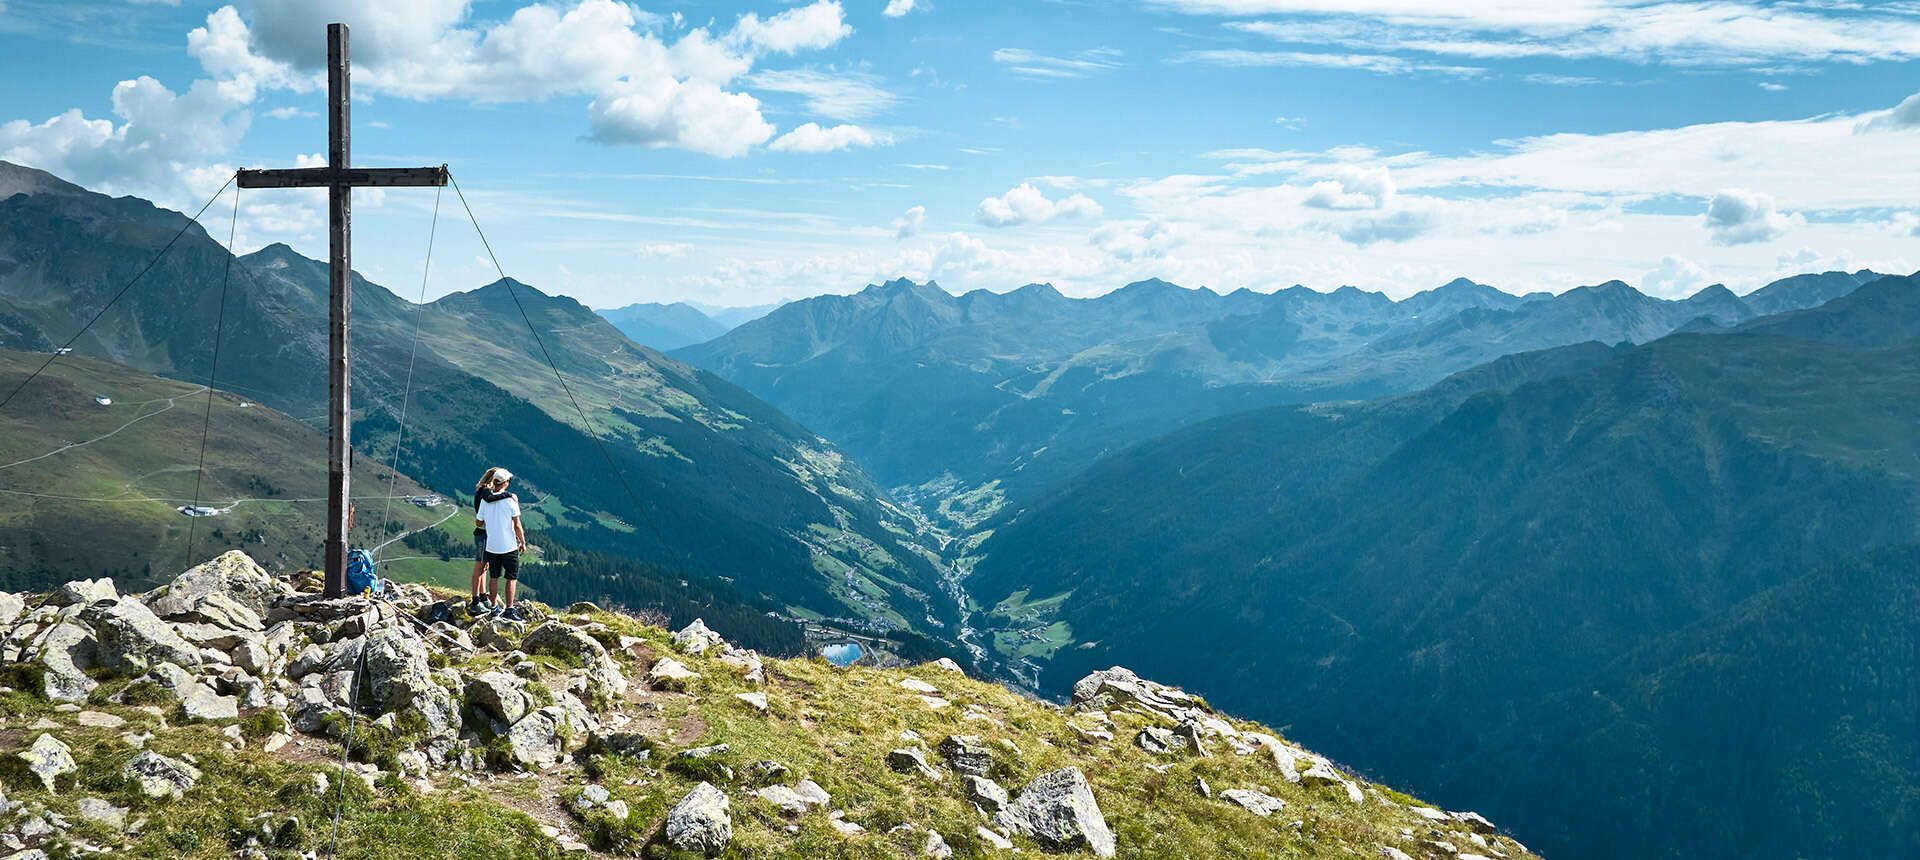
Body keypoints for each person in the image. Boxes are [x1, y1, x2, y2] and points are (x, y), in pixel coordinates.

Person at [474, 467, 527, 622]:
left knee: (494, 576)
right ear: (505, 483)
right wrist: (522, 541)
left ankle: (493, 607)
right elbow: (517, 524)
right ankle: (509, 609)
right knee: (511, 577)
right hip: (509, 546)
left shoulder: (485, 500)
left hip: (492, 545)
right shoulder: (511, 500)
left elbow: (478, 522)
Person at [468, 467, 506, 614]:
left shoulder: (483, 490)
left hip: (487, 532)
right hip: (483, 533)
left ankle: (483, 596)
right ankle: (475, 600)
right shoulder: (485, 492)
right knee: (479, 566)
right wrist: (509, 495)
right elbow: (491, 500)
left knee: (484, 566)